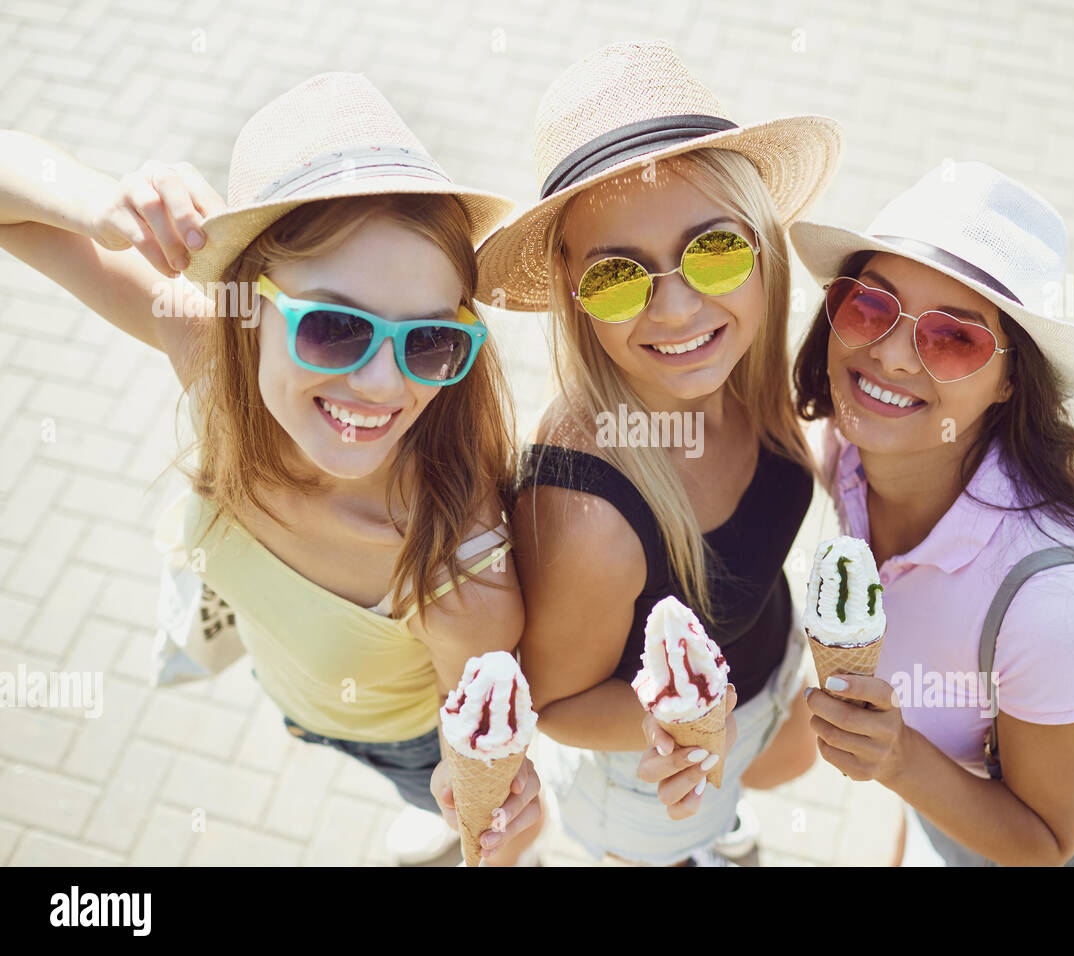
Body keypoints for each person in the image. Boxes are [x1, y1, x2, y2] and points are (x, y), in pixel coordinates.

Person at [0, 72, 543, 866]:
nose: (386, 386)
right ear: (245, 311)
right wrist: (100, 205)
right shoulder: (213, 362)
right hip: (287, 690)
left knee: (422, 796)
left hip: (408, 747)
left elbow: (487, 776)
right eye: (332, 328)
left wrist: (492, 825)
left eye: (430, 341)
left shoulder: (459, 569)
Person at [475, 40, 843, 866]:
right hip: (653, 773)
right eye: (617, 276)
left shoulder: (743, 368)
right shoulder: (587, 517)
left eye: (713, 250)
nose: (677, 310)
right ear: (572, 291)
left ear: (758, 245)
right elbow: (558, 700)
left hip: (769, 675)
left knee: (747, 795)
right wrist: (679, 725)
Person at [789, 161, 1074, 865]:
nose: (891, 356)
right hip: (950, 810)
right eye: (869, 305)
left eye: (953, 338)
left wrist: (898, 759)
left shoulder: (1059, 609)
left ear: (1010, 379)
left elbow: (1047, 842)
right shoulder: (850, 441)